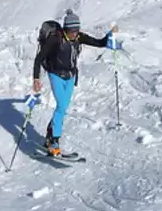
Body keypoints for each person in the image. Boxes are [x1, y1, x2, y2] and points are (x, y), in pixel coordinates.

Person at [32, 10, 117, 156]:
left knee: (63, 109)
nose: (75, 34)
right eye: (72, 31)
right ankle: (54, 141)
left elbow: (100, 43)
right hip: (56, 75)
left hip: (70, 77)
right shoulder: (55, 39)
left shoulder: (79, 37)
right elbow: (39, 58)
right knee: (61, 107)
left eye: (77, 30)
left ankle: (49, 137)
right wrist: (36, 78)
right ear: (65, 29)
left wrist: (110, 34)